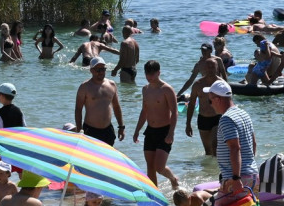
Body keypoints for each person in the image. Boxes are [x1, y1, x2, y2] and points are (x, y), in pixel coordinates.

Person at [207, 79, 258, 200]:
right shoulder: (243, 114)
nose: (210, 104)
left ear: (218, 99)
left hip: (237, 179)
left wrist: (236, 178)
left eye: (210, 100)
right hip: (252, 175)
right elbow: (253, 144)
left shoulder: (226, 119)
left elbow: (235, 148)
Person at [132, 60, 179, 189]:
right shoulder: (145, 89)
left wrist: (171, 133)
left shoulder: (167, 89)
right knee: (150, 166)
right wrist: (136, 130)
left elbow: (175, 112)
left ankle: (173, 178)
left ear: (159, 73)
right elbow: (144, 111)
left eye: (152, 74)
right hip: (150, 131)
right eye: (147, 74)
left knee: (159, 167)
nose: (150, 77)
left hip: (164, 131)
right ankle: (154, 195)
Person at [75, 57, 126, 146]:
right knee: (91, 158)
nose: (101, 72)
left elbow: (116, 107)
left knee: (107, 158)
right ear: (91, 70)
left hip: (107, 130)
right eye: (98, 70)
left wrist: (121, 126)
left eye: (103, 69)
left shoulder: (112, 85)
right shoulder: (85, 87)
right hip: (90, 130)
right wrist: (79, 130)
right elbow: (78, 110)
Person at [186, 59, 223, 156]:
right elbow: (191, 104)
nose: (210, 69)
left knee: (215, 145)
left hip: (217, 118)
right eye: (208, 67)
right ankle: (209, 170)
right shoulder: (198, 85)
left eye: (213, 67)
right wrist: (188, 123)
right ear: (204, 68)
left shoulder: (221, 84)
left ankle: (218, 169)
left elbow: (228, 103)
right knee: (208, 151)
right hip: (203, 119)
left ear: (217, 68)